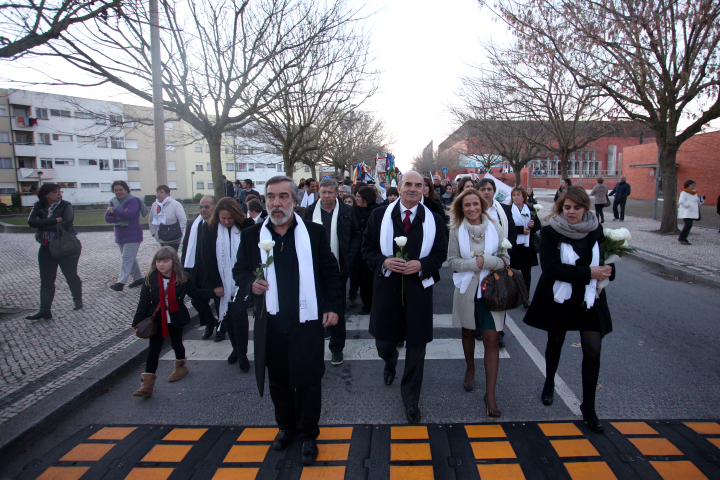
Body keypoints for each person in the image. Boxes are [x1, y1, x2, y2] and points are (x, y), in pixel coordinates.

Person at [233, 175, 343, 465]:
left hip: (306, 322)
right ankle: (286, 427)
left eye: (283, 197)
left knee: (308, 381)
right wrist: (250, 285)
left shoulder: (314, 234)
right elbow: (240, 271)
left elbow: (331, 274)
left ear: (295, 201)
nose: (276, 203)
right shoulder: (251, 236)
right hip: (270, 322)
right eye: (271, 197)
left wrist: (332, 305)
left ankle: (307, 435)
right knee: (279, 381)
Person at [523, 187, 614, 434]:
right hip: (559, 296)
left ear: (585, 207)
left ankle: (589, 406)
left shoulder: (596, 229)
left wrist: (608, 272)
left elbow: (605, 262)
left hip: (589, 297)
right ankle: (549, 380)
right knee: (555, 341)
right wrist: (589, 273)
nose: (572, 212)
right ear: (560, 208)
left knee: (593, 347)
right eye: (567, 207)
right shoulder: (552, 231)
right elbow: (551, 268)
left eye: (577, 207)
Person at [361, 171, 448, 423]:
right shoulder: (379, 216)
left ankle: (411, 400)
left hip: (419, 290)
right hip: (387, 289)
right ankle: (389, 363)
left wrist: (422, 265)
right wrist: (384, 261)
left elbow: (440, 254)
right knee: (384, 343)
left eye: (418, 185)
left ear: (424, 190)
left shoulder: (434, 220)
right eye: (407, 184)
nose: (412, 189)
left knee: (417, 348)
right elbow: (367, 249)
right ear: (399, 188)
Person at [447, 188, 510, 417]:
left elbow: (506, 260)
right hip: (466, 289)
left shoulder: (496, 228)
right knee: (467, 332)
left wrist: (488, 261)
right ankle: (470, 368)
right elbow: (452, 260)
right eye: (467, 205)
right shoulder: (456, 230)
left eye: (476, 204)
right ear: (461, 209)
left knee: (492, 338)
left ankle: (490, 395)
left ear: (482, 205)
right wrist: (475, 264)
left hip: (493, 291)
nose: (472, 208)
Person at [131, 247, 214, 397]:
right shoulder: (150, 279)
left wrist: (215, 292)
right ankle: (147, 385)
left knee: (176, 343)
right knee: (154, 349)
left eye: (165, 261)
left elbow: (195, 293)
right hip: (157, 319)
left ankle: (180, 366)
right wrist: (136, 322)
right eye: (158, 261)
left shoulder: (182, 278)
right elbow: (143, 302)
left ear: (173, 262)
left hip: (176, 316)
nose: (161, 264)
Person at [303, 178, 362, 366]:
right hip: (313, 268)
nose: (326, 196)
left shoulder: (347, 211)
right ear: (318, 193)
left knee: (337, 308)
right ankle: (314, 343)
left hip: (339, 267)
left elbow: (356, 234)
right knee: (314, 308)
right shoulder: (310, 211)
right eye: (323, 192)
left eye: (330, 192)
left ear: (337, 193)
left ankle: (337, 348)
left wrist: (350, 256)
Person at [202, 198, 255, 371]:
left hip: (242, 280)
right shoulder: (209, 228)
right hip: (221, 281)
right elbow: (207, 258)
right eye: (223, 218)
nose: (226, 222)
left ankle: (242, 354)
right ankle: (236, 348)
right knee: (227, 317)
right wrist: (216, 284)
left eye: (230, 218)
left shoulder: (246, 225)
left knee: (239, 315)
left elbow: (253, 252)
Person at [26, 183, 83, 320]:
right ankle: (45, 310)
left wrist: (43, 224)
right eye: (55, 192)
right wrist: (54, 220)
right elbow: (31, 222)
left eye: (59, 191)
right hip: (46, 247)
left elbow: (67, 221)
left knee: (70, 275)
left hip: (65, 247)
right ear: (46, 194)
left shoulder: (65, 205)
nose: (59, 194)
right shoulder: (38, 206)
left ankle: (77, 299)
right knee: (46, 279)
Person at [477, 178, 517, 346]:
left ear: (494, 191)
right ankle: (480, 328)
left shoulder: (504, 210)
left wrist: (505, 250)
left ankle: (498, 334)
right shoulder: (473, 207)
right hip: (478, 260)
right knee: (479, 296)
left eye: (489, 189)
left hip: (499, 260)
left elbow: (512, 230)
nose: (486, 192)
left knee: (499, 296)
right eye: (483, 189)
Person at [181, 195, 218, 340]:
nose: (203, 210)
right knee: (196, 299)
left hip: (214, 269)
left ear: (215, 207)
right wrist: (183, 268)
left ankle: (223, 326)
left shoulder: (219, 224)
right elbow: (186, 247)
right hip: (195, 268)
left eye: (206, 207)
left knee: (217, 298)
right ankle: (210, 322)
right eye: (201, 207)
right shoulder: (193, 225)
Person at [105, 180, 147, 292]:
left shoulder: (133, 200)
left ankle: (121, 282)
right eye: (116, 190)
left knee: (126, 258)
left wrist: (113, 211)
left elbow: (129, 214)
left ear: (126, 189)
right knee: (130, 258)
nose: (118, 192)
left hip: (133, 234)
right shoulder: (113, 201)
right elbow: (107, 218)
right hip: (120, 234)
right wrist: (120, 214)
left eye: (120, 189)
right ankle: (138, 278)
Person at [509, 187, 541, 308]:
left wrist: (533, 225)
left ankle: (526, 297)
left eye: (518, 195)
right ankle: (513, 295)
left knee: (526, 273)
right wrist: (520, 230)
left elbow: (538, 225)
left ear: (523, 197)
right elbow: (506, 228)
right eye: (514, 195)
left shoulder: (531, 208)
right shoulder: (509, 210)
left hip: (527, 246)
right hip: (515, 246)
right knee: (513, 272)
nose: (516, 197)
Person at [351, 186, 379, 311]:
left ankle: (375, 303)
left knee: (373, 277)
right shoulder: (354, 211)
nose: (356, 198)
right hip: (358, 250)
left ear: (366, 197)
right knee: (361, 278)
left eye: (358, 196)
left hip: (373, 248)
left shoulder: (377, 211)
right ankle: (366, 303)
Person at [149, 185, 187, 251]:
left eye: (161, 192)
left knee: (172, 256)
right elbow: (151, 220)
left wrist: (178, 232)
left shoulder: (175, 204)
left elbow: (183, 220)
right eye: (158, 192)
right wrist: (153, 232)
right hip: (161, 236)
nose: (159, 194)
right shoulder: (155, 205)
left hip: (174, 237)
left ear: (168, 193)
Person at [678, 180, 701, 245]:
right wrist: (688, 205)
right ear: (688, 185)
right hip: (686, 211)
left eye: (694, 185)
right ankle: (682, 238)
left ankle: (683, 238)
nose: (693, 186)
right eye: (692, 185)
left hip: (692, 212)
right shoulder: (684, 192)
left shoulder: (695, 193)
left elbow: (698, 201)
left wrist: (701, 200)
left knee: (689, 225)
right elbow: (681, 201)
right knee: (688, 225)